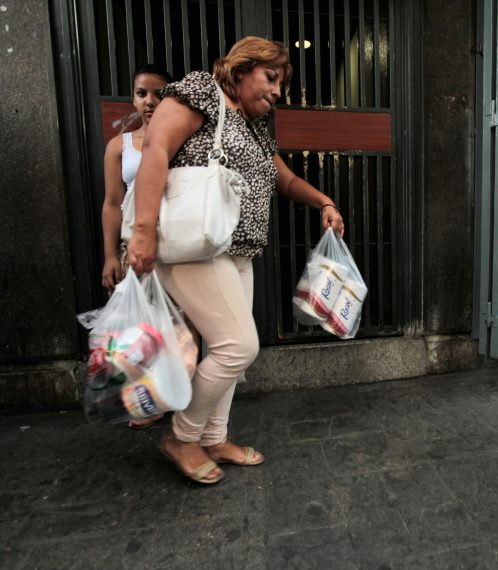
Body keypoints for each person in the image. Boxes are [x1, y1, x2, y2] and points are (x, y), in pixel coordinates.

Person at [127, 37, 344, 484]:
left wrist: (324, 200)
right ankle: (181, 437)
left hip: (235, 254)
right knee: (239, 345)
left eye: (281, 83)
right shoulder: (202, 93)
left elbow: (283, 180)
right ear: (243, 69)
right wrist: (143, 231)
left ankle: (214, 437)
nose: (278, 91)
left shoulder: (254, 127)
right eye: (272, 78)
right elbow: (156, 150)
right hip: (194, 248)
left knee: (229, 351)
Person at [100, 64, 173, 430]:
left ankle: (178, 392)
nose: (150, 101)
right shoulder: (120, 146)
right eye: (142, 93)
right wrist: (111, 255)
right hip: (137, 250)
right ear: (133, 98)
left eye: (158, 93)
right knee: (142, 330)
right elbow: (113, 203)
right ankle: (148, 400)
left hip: (176, 246)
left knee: (178, 325)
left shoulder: (180, 142)